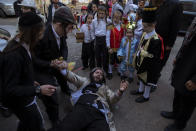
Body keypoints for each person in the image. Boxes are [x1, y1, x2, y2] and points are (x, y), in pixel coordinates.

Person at [1, 12, 57, 131]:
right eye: (40, 33)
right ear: (32, 33)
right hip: (22, 103)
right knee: (37, 124)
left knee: (26, 123)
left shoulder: (24, 46)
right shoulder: (14, 55)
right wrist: (38, 89)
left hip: (26, 98)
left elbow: (22, 72)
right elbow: (10, 89)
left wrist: (30, 81)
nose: (41, 37)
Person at [48, 64, 128, 131]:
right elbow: (73, 77)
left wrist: (120, 91)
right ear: (92, 74)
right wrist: (63, 70)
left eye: (101, 75)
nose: (99, 75)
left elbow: (112, 99)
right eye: (97, 72)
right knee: (65, 128)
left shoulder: (105, 88)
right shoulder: (85, 81)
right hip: (83, 107)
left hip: (100, 112)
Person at [32, 6, 76, 127]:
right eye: (69, 28)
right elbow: (33, 59)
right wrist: (50, 64)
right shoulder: (41, 35)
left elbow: (64, 47)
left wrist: (63, 60)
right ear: (59, 24)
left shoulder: (61, 31)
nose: (70, 31)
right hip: (42, 68)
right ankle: (54, 118)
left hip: (55, 62)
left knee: (63, 74)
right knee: (51, 93)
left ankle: (65, 88)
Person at [160, 17, 196, 131]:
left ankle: (180, 124)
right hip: (185, 61)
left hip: (193, 69)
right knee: (178, 90)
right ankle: (175, 113)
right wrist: (178, 56)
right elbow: (187, 39)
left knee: (188, 98)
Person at [131, 6, 164, 103]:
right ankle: (140, 90)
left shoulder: (156, 39)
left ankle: (146, 96)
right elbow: (140, 45)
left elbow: (154, 56)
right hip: (142, 61)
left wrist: (142, 52)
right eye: (143, 26)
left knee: (147, 81)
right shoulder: (145, 34)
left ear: (153, 25)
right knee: (141, 76)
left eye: (145, 26)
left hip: (149, 65)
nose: (143, 28)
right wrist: (137, 53)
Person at [151, 0, 183, 72]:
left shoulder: (176, 5)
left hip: (163, 41)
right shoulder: (154, 2)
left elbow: (175, 27)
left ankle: (153, 79)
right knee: (149, 59)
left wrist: (170, 44)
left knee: (158, 64)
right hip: (151, 37)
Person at [92, 6, 111, 75]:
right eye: (100, 13)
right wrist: (94, 40)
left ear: (105, 13)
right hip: (97, 39)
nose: (101, 15)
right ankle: (99, 71)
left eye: (103, 13)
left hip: (105, 39)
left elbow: (109, 31)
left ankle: (106, 71)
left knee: (105, 56)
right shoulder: (94, 21)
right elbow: (93, 31)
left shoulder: (108, 21)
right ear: (97, 13)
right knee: (97, 56)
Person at [106, 10, 124, 80]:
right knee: (111, 60)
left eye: (117, 18)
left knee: (119, 60)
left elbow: (123, 36)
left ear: (120, 18)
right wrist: (108, 47)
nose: (116, 19)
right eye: (114, 18)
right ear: (113, 17)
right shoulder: (110, 26)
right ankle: (110, 72)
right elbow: (107, 37)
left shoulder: (122, 26)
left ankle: (119, 71)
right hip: (112, 47)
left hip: (119, 47)